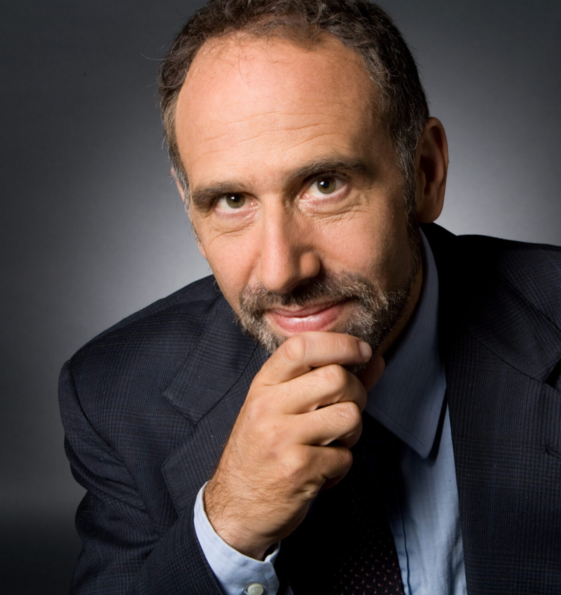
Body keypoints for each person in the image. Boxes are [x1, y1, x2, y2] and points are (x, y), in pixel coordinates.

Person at [58, 1, 561, 594]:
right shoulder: (116, 395)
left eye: (325, 185)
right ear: (191, 211)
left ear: (424, 172)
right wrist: (228, 525)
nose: (281, 274)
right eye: (232, 201)